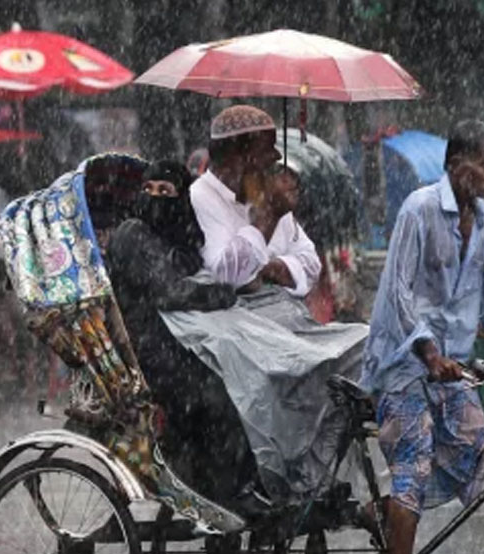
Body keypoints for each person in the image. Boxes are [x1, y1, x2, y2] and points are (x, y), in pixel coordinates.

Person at [360, 119, 484, 554]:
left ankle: (388, 510)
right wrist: (428, 354)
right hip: (403, 363)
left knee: (474, 443)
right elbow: (398, 294)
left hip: (450, 364)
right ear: (456, 166)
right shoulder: (419, 209)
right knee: (415, 461)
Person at [104, 159, 256, 507]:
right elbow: (169, 292)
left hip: (176, 345)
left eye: (165, 191)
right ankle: (224, 499)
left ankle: (217, 494)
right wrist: (219, 294)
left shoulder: (181, 238)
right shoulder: (133, 234)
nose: (156, 198)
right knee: (221, 401)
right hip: (148, 353)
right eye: (149, 189)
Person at [190, 105, 321, 297]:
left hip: (285, 317)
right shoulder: (198, 198)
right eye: (267, 148)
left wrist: (267, 270)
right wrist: (269, 218)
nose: (277, 156)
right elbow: (226, 279)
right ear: (236, 158)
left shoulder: (266, 195)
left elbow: (312, 266)